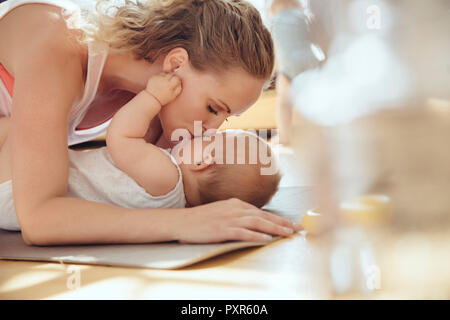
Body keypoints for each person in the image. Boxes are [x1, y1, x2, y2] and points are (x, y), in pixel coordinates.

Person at [0, 0, 301, 245]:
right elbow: (38, 219)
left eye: (226, 117)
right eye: (213, 107)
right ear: (176, 64)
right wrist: (183, 224)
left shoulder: (157, 110)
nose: (212, 129)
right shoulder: (58, 45)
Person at [0, 72, 282, 235]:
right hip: (20, 195)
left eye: (211, 139)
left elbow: (121, 137)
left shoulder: (165, 175)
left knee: (17, 124)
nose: (204, 131)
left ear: (200, 162)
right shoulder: (172, 196)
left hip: (20, 187)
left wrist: (153, 98)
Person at [266, 0, 327, 145]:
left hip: (287, 66)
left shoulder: (273, 22)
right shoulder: (304, 17)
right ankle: (319, 133)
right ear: (299, 5)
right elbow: (319, 39)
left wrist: (273, 70)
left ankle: (284, 136)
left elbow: (273, 50)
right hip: (309, 63)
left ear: (272, 9)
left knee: (283, 103)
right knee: (314, 101)